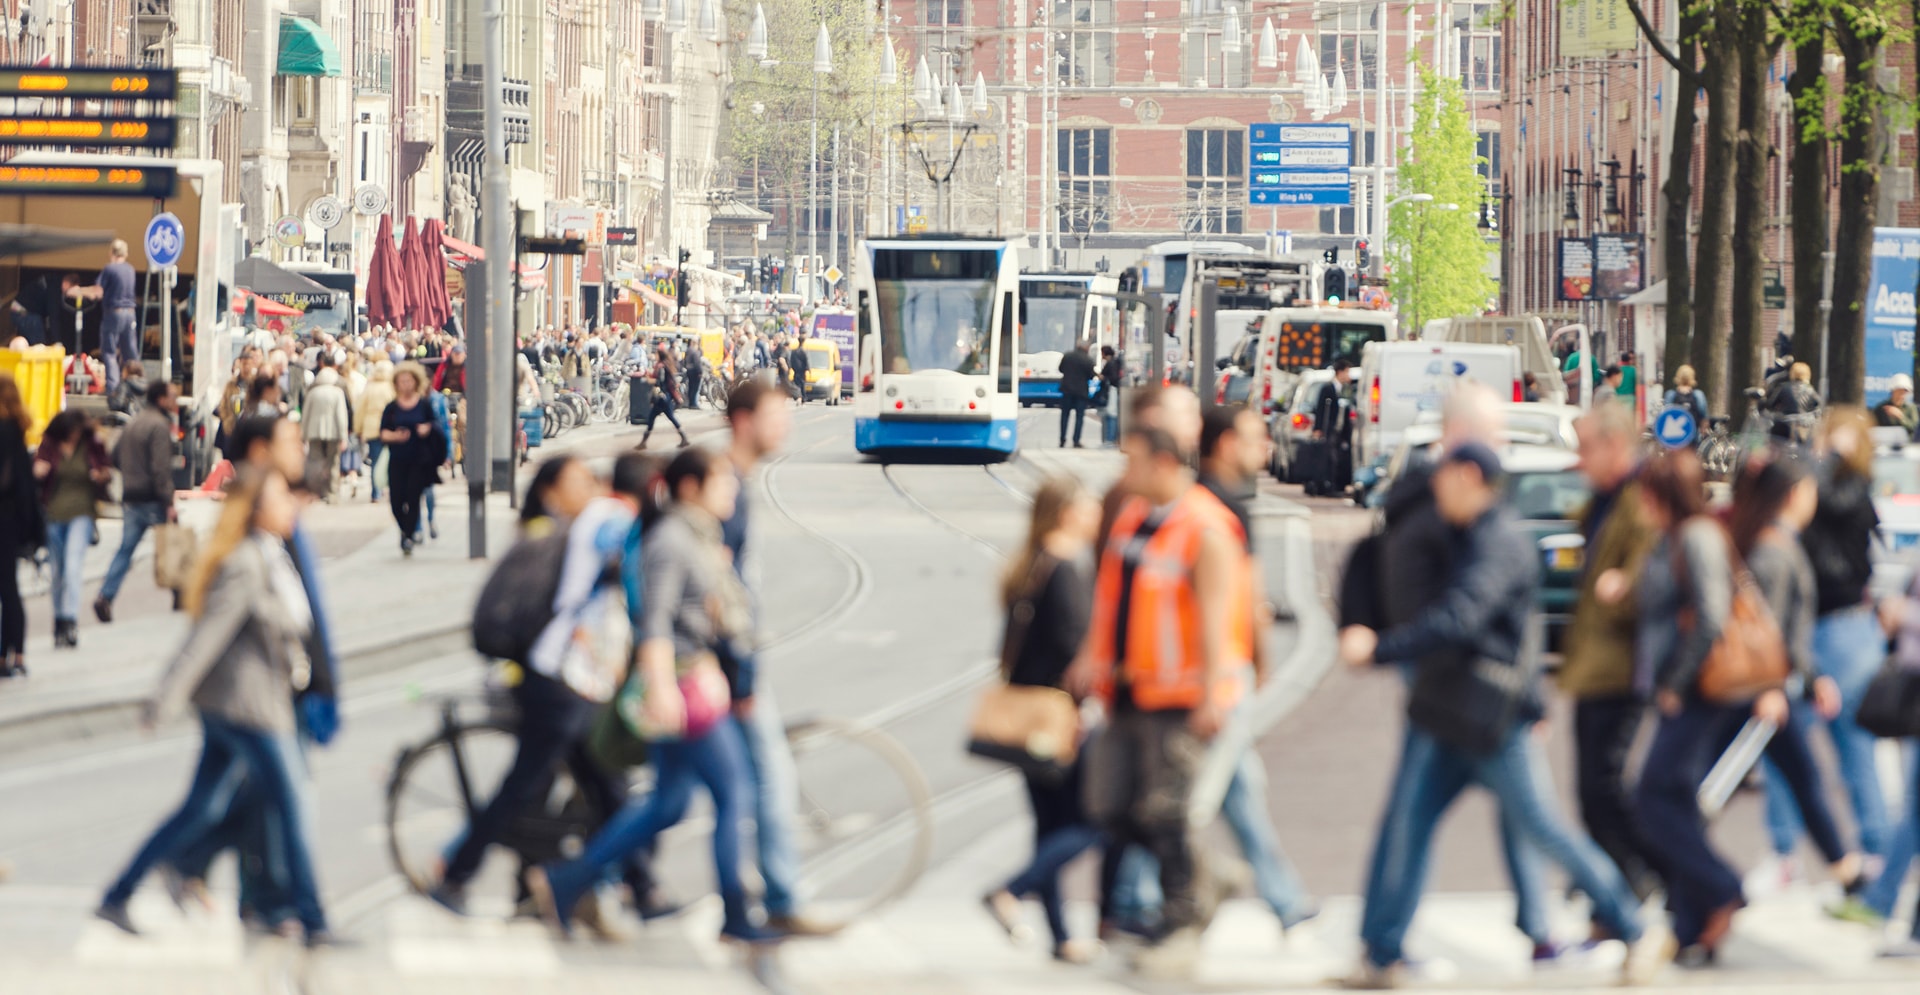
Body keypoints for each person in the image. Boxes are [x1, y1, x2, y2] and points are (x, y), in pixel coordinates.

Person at [1340, 443, 1666, 987]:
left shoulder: (1500, 541)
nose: (1435, 494)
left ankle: (1635, 926)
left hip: (1490, 719)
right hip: (1450, 709)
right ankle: (1381, 951)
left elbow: (1463, 618)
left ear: (1469, 477)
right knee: (1411, 825)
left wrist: (1381, 649)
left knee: (1541, 828)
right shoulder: (1472, 534)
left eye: (1442, 481)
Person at [529, 448, 782, 944]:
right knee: (734, 794)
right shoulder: (672, 540)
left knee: (667, 804)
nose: (731, 489)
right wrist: (663, 687)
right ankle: (736, 914)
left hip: (688, 681)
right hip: (685, 685)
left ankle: (566, 883)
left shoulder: (693, 535)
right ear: (690, 487)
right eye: (721, 482)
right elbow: (657, 618)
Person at [95, 469, 339, 947]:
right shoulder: (247, 562)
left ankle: (124, 891)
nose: (291, 506)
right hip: (248, 709)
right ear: (257, 510)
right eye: (280, 499)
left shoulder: (272, 555)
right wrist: (163, 699)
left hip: (251, 704)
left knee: (201, 808)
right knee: (291, 804)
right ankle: (312, 919)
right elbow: (205, 638)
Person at [432, 453, 670, 934]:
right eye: (578, 481)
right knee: (531, 784)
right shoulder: (590, 526)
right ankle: (456, 870)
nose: (588, 488)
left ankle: (630, 886)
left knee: (601, 782)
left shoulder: (580, 525)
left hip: (571, 678)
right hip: (558, 677)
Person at [1064, 388, 1247, 978]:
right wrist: (1092, 659)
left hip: (1180, 695)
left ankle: (1184, 920)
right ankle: (1209, 877)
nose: (1125, 471)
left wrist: (1215, 692)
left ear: (1164, 463)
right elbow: (1112, 597)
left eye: (1133, 460)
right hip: (1127, 690)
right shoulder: (1133, 519)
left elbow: (1222, 618)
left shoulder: (1206, 528)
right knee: (1110, 806)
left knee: (1167, 812)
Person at [1628, 449, 1751, 961]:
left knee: (1652, 798)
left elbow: (1711, 615)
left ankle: (1723, 888)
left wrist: (1676, 681)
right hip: (1683, 688)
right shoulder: (1674, 537)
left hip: (1701, 690)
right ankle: (1691, 922)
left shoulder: (1697, 537)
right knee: (1676, 801)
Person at [1730, 457, 1869, 907]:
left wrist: (1809, 681)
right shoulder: (1776, 550)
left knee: (1804, 781)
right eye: (1809, 492)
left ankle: (1844, 871)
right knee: (1718, 785)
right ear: (1793, 497)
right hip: (1767, 691)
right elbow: (1769, 630)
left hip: (1776, 688)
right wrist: (1789, 683)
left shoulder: (1777, 545)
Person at [1763, 407, 1889, 877]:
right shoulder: (1821, 487)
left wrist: (1826, 459)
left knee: (1850, 745)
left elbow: (1832, 506)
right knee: (1786, 745)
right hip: (1813, 625)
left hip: (1842, 628)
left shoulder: (1850, 491)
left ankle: (1870, 848)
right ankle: (1785, 853)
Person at [980, 477, 1102, 963]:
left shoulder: (1030, 564)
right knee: (1099, 820)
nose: (1096, 514)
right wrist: (1084, 709)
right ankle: (1011, 890)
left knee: (1048, 826)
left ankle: (1061, 936)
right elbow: (1074, 648)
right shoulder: (1067, 568)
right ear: (1068, 513)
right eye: (1089, 505)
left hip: (1024, 712)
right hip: (1056, 714)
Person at [719, 379, 825, 935]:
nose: (786, 424)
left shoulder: (733, 483)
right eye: (775, 414)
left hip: (715, 665)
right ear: (743, 420)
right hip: (720, 668)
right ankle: (780, 897)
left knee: (671, 792)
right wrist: (740, 674)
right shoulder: (726, 490)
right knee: (769, 775)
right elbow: (720, 589)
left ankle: (589, 876)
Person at [1558, 404, 1662, 902]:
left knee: (1602, 787)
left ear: (1615, 446)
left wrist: (1625, 586)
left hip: (1622, 667)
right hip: (1596, 666)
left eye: (1586, 449)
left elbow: (1652, 575)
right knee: (1594, 788)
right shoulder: (1603, 500)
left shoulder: (1639, 502)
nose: (1579, 461)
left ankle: (1647, 875)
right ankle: (1617, 880)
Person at [94, 379, 180, 623]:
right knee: (170, 545)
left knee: (125, 549)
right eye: (171, 396)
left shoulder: (134, 422)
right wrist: (169, 500)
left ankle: (105, 596)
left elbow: (115, 455)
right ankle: (181, 593)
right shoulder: (159, 426)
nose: (175, 401)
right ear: (161, 399)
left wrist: (132, 474)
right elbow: (161, 468)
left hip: (131, 496)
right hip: (153, 497)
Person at [33, 410, 110, 649]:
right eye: (72, 432)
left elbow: (107, 470)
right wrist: (38, 471)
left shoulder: (91, 444)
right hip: (53, 515)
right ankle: (58, 621)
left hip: (82, 513)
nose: (75, 435)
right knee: (57, 572)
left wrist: (100, 476)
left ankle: (70, 621)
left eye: (78, 431)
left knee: (73, 564)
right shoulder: (49, 445)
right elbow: (36, 470)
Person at [378, 362, 445, 555]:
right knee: (396, 501)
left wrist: (427, 429)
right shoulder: (391, 408)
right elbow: (382, 433)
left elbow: (435, 425)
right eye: (401, 381)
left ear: (416, 382)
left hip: (419, 459)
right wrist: (395, 436)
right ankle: (405, 529)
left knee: (414, 497)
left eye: (409, 380)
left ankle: (408, 536)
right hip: (397, 459)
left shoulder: (423, 405)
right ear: (396, 384)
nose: (405, 384)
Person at [0, 374, 37, 677]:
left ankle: (3, 657)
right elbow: (23, 483)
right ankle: (18, 653)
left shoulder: (4, 431)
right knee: (10, 587)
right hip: (12, 520)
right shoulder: (18, 429)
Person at [72, 239, 139, 394]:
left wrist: (79, 291)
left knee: (109, 351)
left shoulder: (110, 269)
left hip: (114, 313)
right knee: (130, 352)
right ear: (126, 254)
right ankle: (135, 385)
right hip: (130, 313)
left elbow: (98, 292)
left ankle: (113, 388)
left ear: (111, 253)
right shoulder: (130, 270)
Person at [301, 356, 351, 503]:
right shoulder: (337, 392)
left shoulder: (312, 392)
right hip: (333, 432)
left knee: (315, 462)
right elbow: (341, 416)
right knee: (333, 462)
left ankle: (316, 491)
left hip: (314, 431)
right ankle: (332, 492)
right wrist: (344, 436)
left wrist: (303, 434)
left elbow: (306, 414)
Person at [356, 359, 397, 503]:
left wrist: (358, 429)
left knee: (375, 461)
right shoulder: (392, 387)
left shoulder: (370, 387)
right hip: (391, 429)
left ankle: (376, 493)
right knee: (392, 461)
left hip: (372, 428)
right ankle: (392, 489)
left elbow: (360, 410)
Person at [640, 343, 690, 449]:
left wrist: (650, 380)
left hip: (662, 397)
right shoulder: (664, 365)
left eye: (656, 354)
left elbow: (660, 380)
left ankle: (643, 442)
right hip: (665, 397)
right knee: (665, 417)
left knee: (653, 417)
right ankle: (683, 437)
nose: (655, 355)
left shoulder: (661, 366)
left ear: (659, 355)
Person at [1765, 362, 1822, 445]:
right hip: (1804, 426)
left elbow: (1770, 404)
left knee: (1774, 442)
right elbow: (1818, 405)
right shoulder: (1810, 390)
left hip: (1785, 425)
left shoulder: (1783, 387)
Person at [1058, 339, 1096, 448]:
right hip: (1081, 391)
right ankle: (1076, 440)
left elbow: (1061, 369)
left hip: (1067, 390)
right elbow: (1091, 375)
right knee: (1079, 417)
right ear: (1086, 348)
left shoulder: (1068, 356)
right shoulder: (1088, 360)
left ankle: (1062, 439)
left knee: (1065, 415)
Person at [1097, 345, 1124, 446]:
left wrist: (1102, 377)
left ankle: (1110, 438)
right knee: (1111, 413)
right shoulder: (1115, 362)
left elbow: (1112, 378)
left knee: (1111, 414)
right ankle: (1110, 438)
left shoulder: (1111, 363)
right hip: (1112, 390)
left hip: (1111, 390)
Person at [789, 334, 812, 404]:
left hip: (796, 370)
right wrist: (808, 369)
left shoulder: (794, 351)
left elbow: (791, 361)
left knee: (796, 384)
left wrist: (792, 367)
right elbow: (806, 361)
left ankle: (798, 396)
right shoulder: (803, 351)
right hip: (802, 371)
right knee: (802, 384)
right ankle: (802, 397)